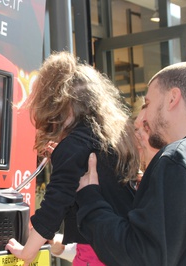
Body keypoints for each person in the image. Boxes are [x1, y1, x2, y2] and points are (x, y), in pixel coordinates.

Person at [76, 61, 186, 265]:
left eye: (147, 103)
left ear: (173, 98)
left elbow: (140, 256)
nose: (144, 116)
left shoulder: (177, 158)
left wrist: (90, 199)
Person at [5, 51, 140, 265]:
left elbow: (56, 202)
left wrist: (28, 251)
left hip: (96, 255)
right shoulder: (112, 140)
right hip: (122, 248)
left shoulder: (74, 146)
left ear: (56, 102)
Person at [49, 107, 159, 263]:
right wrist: (63, 249)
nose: (138, 136)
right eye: (136, 129)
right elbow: (99, 245)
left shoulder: (154, 187)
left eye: (145, 129)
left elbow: (126, 248)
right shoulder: (129, 181)